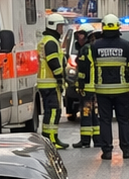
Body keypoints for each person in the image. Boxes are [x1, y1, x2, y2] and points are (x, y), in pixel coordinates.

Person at [77, 14, 129, 161]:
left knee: (105, 120)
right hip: (122, 90)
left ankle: (107, 151)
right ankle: (127, 150)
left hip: (102, 90)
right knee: (123, 120)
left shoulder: (95, 46)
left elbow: (86, 67)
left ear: (103, 27)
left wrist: (82, 84)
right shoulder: (125, 45)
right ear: (118, 27)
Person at [37, 14, 68, 149]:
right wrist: (60, 78)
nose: (62, 29)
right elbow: (53, 61)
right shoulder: (51, 42)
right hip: (50, 82)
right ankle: (51, 139)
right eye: (60, 26)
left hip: (46, 82)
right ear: (54, 26)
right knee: (53, 111)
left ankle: (51, 138)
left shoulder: (48, 40)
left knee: (51, 111)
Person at [72, 29, 99, 149]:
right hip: (96, 89)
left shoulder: (85, 49)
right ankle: (98, 140)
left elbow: (83, 70)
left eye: (81, 35)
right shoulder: (95, 47)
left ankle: (85, 141)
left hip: (87, 89)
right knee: (95, 114)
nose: (79, 38)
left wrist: (80, 85)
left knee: (86, 113)